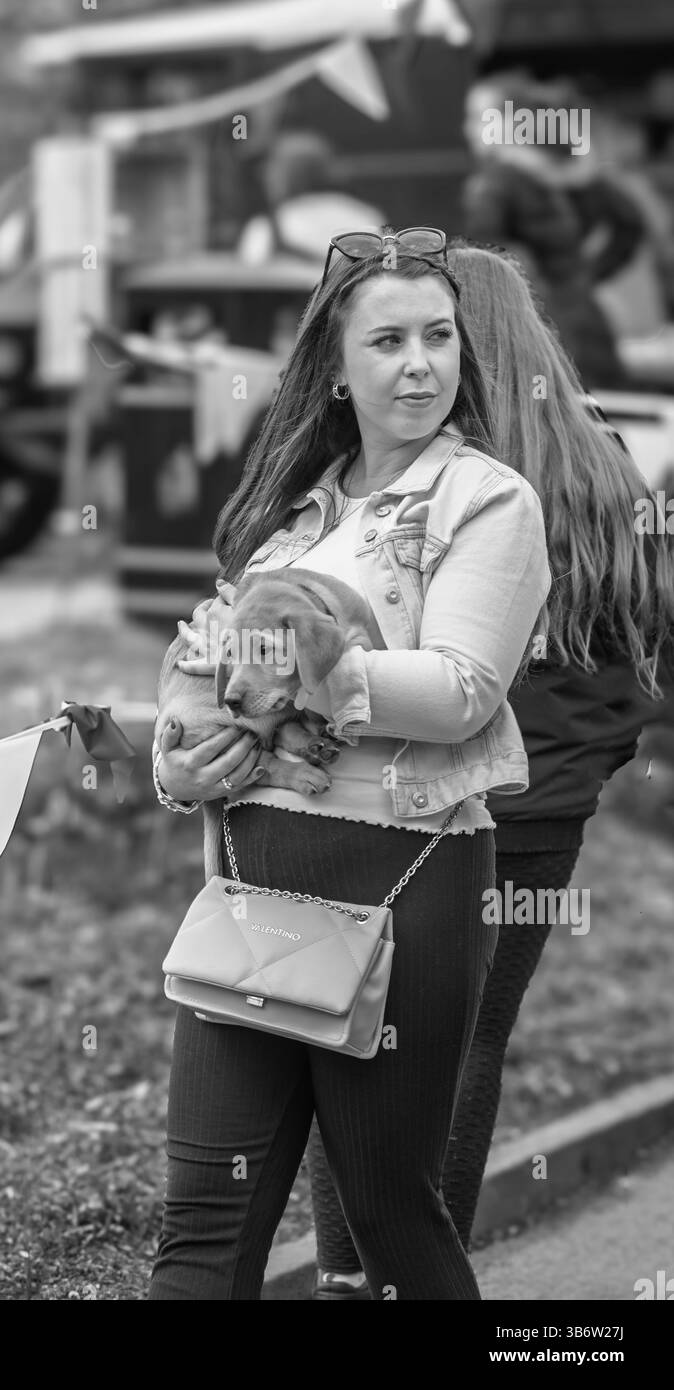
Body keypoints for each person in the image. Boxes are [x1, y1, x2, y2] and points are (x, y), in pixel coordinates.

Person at [148, 227, 551, 1300]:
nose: (418, 363)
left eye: (436, 336)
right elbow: (204, 664)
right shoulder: (289, 512)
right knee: (201, 1220)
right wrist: (179, 760)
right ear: (336, 368)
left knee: (386, 1217)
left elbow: (465, 688)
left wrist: (316, 675)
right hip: (247, 890)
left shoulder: (489, 501)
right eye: (387, 341)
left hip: (403, 885)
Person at [302, 242, 674, 1299]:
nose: (417, 355)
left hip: (414, 789)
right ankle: (407, 1278)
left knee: (351, 1030)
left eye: (433, 330)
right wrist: (587, 767)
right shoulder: (597, 456)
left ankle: (349, 1278)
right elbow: (641, 641)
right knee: (465, 1044)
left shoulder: (428, 479)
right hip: (540, 811)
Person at [461, 75, 643, 389]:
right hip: (585, 322)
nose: (468, 129)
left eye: (479, 118)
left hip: (538, 330)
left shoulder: (497, 182)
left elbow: (479, 253)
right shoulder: (574, 172)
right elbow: (631, 224)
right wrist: (587, 275)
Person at [238, 130, 386, 266]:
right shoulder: (366, 215)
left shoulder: (269, 226)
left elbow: (250, 280)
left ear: (289, 175)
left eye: (272, 168)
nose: (265, 176)